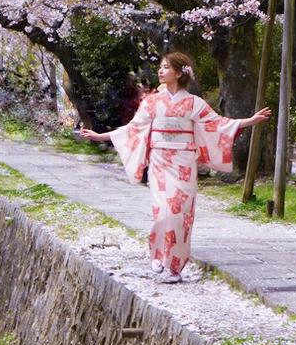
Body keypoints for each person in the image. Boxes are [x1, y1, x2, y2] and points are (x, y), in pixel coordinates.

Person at [75, 51, 270, 283]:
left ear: (179, 73)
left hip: (184, 162)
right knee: (163, 211)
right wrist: (100, 136)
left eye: (166, 67)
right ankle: (158, 253)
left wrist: (249, 121)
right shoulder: (152, 102)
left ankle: (175, 267)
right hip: (159, 161)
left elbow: (218, 124)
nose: (160, 71)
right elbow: (133, 128)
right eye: (161, 66)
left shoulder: (194, 103)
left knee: (180, 213)